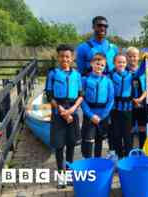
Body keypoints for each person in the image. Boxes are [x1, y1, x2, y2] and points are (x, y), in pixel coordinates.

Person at [45, 44, 83, 189]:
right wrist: (62, 111)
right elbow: (49, 95)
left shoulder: (77, 75)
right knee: (59, 147)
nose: (64, 59)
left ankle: (69, 175)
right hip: (58, 113)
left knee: (71, 146)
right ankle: (61, 177)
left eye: (67, 56)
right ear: (58, 57)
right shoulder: (53, 74)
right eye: (62, 56)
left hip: (73, 113)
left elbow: (81, 96)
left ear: (72, 58)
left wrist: (72, 110)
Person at [109, 54, 147, 157]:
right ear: (114, 63)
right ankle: (119, 155)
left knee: (127, 134)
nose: (121, 64)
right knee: (116, 134)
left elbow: (141, 72)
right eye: (119, 62)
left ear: (126, 64)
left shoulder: (131, 75)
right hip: (115, 110)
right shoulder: (111, 75)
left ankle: (127, 156)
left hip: (128, 109)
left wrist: (144, 60)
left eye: (123, 62)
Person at [80, 53, 114, 158]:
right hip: (90, 114)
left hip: (102, 115)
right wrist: (91, 115)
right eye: (97, 64)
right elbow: (82, 100)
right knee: (88, 140)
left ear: (104, 67)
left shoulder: (108, 82)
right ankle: (87, 162)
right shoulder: (85, 80)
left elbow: (111, 100)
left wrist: (102, 116)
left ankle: (97, 161)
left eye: (102, 65)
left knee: (99, 140)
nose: (99, 67)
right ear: (91, 64)